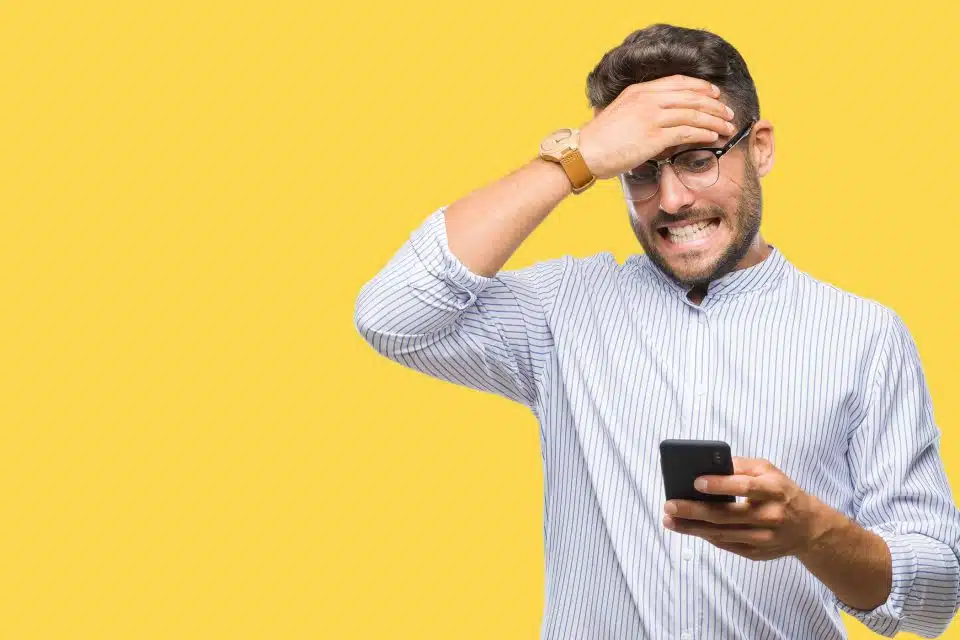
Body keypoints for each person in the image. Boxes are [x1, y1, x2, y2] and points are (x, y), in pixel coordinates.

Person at [353, 22, 960, 639]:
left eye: (698, 160)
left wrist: (814, 532)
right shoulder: (561, 310)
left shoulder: (864, 336)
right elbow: (392, 315)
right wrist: (574, 159)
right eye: (641, 171)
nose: (670, 199)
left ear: (762, 148)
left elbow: (934, 598)